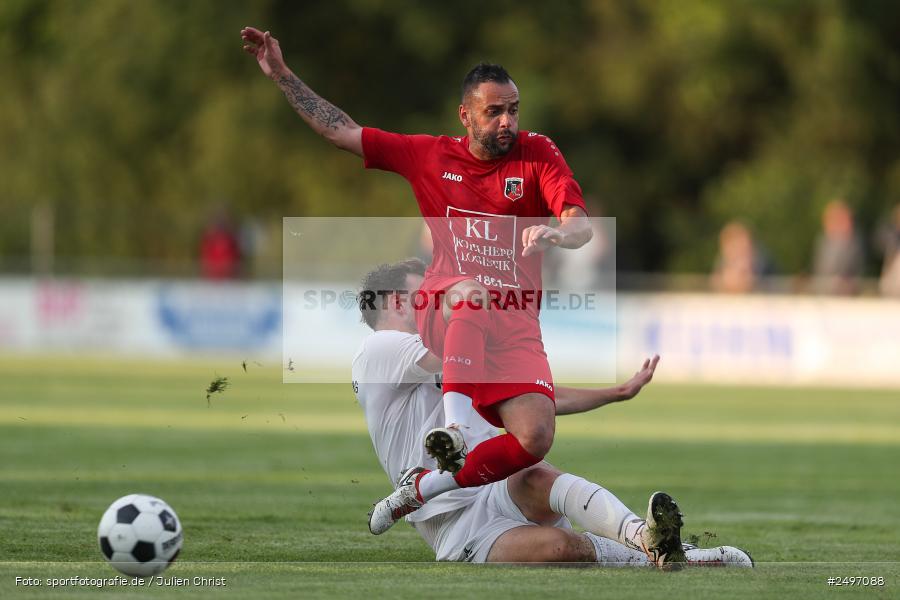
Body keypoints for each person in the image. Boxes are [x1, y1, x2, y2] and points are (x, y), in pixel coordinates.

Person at [238, 27, 662, 560]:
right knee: (469, 291)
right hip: (450, 299)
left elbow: (580, 224)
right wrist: (281, 75)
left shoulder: (537, 153)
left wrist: (559, 233)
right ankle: (457, 427)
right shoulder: (430, 157)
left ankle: (427, 485)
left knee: (535, 438)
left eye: (513, 109)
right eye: (494, 112)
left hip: (513, 325)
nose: (508, 121)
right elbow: (342, 131)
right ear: (466, 116)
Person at [352, 259, 753, 568]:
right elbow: (461, 339)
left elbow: (532, 400)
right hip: (456, 526)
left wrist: (615, 393)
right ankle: (663, 554)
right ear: (395, 302)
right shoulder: (379, 349)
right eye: (425, 293)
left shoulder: (450, 353)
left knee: (537, 473)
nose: (435, 303)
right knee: (564, 549)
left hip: (492, 483)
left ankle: (649, 539)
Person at [812, 199, 865, 295]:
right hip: (824, 291)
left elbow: (851, 271)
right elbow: (820, 268)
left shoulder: (853, 244)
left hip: (845, 293)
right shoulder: (823, 242)